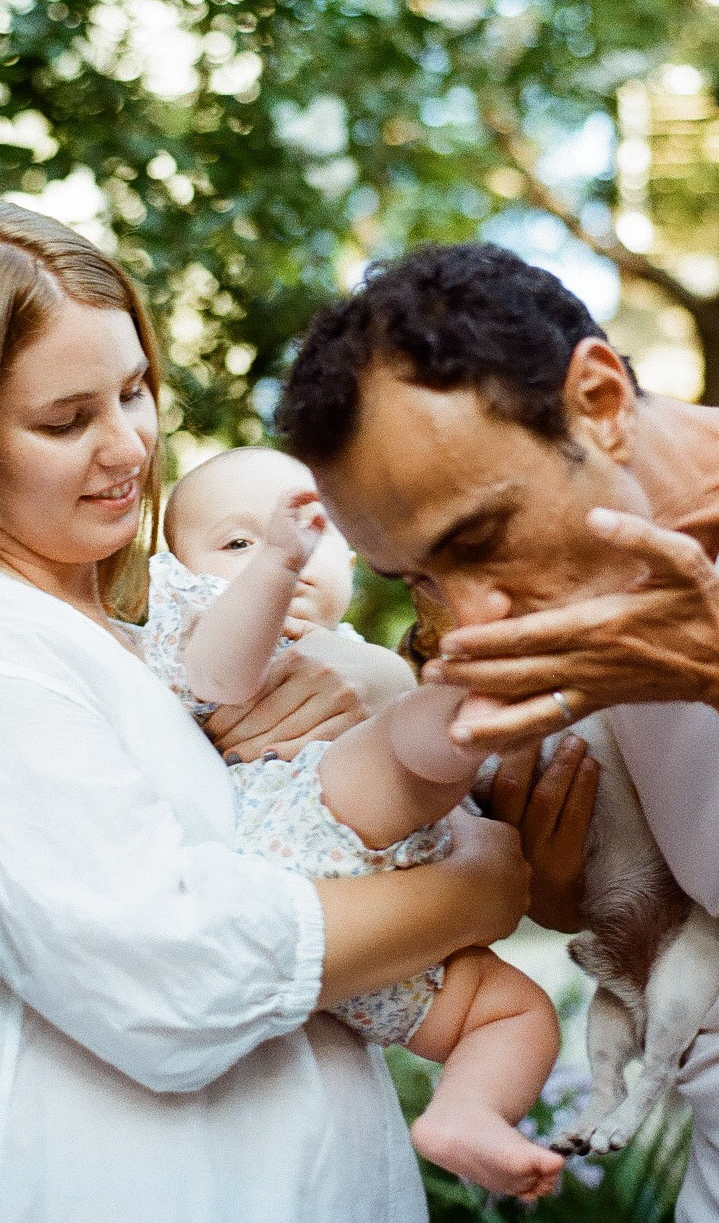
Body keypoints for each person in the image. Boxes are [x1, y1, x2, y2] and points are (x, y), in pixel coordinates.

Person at [0, 204, 531, 1223]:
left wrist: (377, 690)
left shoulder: (144, 621)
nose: (127, 443)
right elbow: (167, 970)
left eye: (133, 390)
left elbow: (322, 803)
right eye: (65, 420)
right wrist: (478, 888)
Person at [276, 240, 719, 1223]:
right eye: (417, 578)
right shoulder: (560, 612)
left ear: (598, 398)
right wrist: (564, 889)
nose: (466, 621)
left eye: (476, 539)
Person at [146, 446, 564, 1202]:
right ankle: (491, 696)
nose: (291, 548)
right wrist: (273, 567)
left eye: (311, 530)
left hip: (379, 957)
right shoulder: (206, 636)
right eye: (239, 541)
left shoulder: (369, 663)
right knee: (409, 741)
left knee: (517, 1012)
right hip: (300, 843)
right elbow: (219, 678)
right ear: (177, 573)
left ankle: (465, 1115)